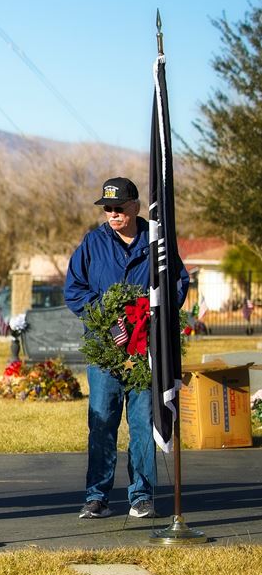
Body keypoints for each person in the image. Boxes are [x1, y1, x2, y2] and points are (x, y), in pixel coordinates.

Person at [64, 177, 188, 519]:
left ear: (135, 206)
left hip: (145, 352)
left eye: (119, 208)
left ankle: (142, 495)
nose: (113, 214)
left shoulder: (157, 240)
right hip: (104, 351)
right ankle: (97, 496)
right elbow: (74, 290)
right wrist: (108, 316)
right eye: (108, 209)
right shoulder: (92, 243)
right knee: (102, 422)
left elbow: (178, 281)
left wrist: (151, 319)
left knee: (143, 421)